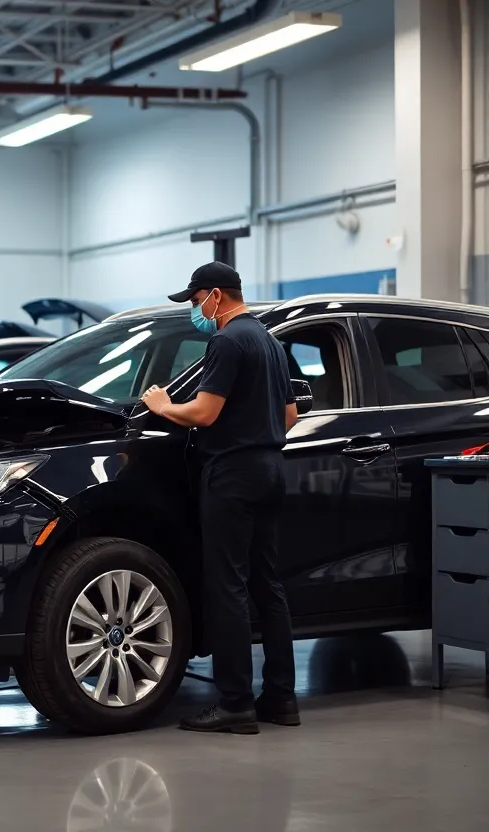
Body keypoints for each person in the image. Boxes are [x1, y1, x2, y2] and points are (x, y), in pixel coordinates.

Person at [140, 262, 299, 735]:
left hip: (232, 474)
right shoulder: (270, 342)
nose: (196, 311)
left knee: (227, 587)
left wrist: (163, 406)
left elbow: (205, 412)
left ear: (215, 295)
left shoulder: (227, 341)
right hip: (270, 470)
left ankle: (234, 704)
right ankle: (281, 699)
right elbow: (288, 415)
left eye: (195, 302)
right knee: (267, 587)